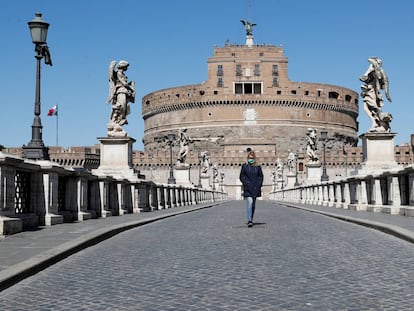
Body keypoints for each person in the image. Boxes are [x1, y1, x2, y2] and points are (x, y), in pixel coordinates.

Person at [239, 150, 263, 227]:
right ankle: (249, 220)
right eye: (249, 157)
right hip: (248, 188)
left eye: (252, 158)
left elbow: (261, 177)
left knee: (253, 205)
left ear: (254, 158)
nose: (250, 159)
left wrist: (259, 185)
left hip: (256, 188)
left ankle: (251, 218)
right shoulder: (245, 166)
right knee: (250, 203)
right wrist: (246, 184)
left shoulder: (258, 167)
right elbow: (241, 176)